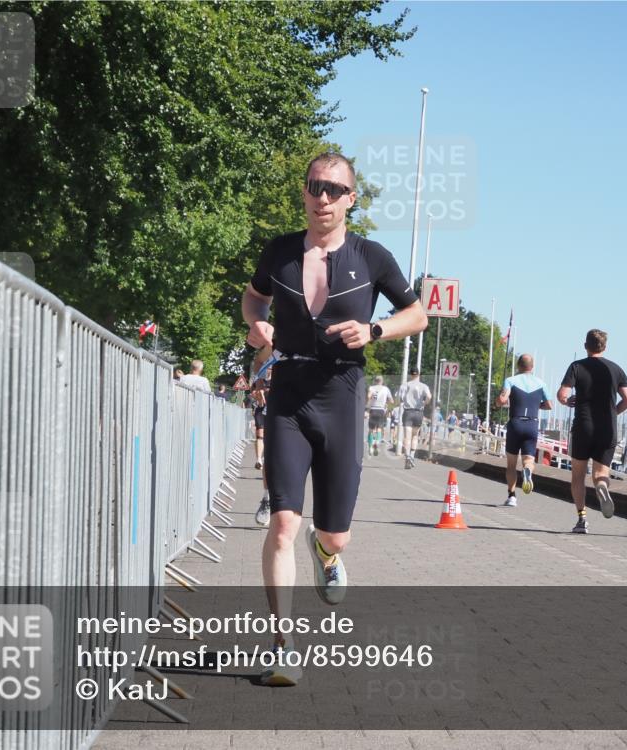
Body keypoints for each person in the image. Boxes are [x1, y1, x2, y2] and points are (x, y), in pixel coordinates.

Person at [241, 151, 427, 686]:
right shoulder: (279, 252)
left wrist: (374, 331)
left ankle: (325, 550)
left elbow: (416, 314)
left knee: (336, 535)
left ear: (350, 199)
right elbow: (253, 301)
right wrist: (258, 328)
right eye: (314, 186)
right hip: (289, 394)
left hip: (343, 393)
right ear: (304, 192)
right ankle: (283, 646)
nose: (322, 197)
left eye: (333, 189)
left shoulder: (372, 256)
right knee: (281, 522)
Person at [557, 329, 627, 534]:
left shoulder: (577, 366)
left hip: (583, 426)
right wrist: (613, 413)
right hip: (607, 428)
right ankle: (602, 487)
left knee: (578, 477)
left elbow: (563, 394)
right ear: (605, 347)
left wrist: (566, 401)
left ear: (586, 346)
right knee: (601, 473)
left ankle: (582, 519)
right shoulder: (616, 369)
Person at [496, 354, 553, 507]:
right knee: (528, 460)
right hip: (532, 425)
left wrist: (498, 401)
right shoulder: (541, 383)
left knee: (511, 464)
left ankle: (512, 496)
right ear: (532, 367)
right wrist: (537, 406)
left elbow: (502, 399)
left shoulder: (511, 380)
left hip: (515, 423)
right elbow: (549, 405)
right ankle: (527, 471)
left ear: (518, 366)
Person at [397, 369, 431, 469]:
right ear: (419, 374)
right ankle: (412, 456)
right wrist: (425, 403)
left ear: (410, 375)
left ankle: (407, 456)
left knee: (407, 437)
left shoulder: (405, 385)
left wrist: (402, 400)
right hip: (419, 412)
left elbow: (399, 398)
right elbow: (429, 396)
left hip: (408, 412)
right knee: (415, 436)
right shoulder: (424, 386)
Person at [366, 375, 393, 456]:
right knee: (379, 429)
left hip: (373, 409)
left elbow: (368, 396)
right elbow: (391, 401)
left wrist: (370, 401)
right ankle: (377, 443)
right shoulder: (386, 389)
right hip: (381, 410)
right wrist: (386, 403)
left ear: (375, 381)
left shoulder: (371, 388)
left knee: (371, 429)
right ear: (382, 381)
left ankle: (370, 447)